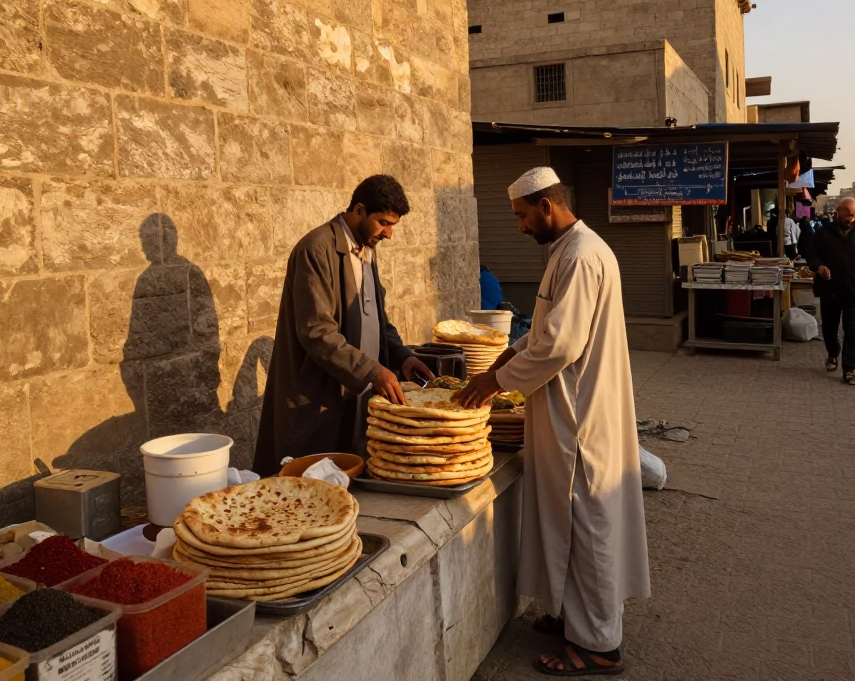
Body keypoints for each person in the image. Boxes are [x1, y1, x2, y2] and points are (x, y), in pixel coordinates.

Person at [457, 166, 648, 677]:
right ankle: (574, 619)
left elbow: (561, 345)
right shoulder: (565, 252)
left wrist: (494, 383)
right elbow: (545, 330)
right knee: (572, 524)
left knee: (588, 527)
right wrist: (505, 356)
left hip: (582, 416)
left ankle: (599, 645)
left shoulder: (582, 256)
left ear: (546, 206)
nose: (519, 226)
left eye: (522, 216)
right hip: (567, 408)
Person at [252, 175, 434, 474]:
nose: (389, 234)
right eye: (384, 223)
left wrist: (403, 356)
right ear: (359, 210)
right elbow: (316, 332)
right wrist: (372, 371)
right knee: (311, 492)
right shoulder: (316, 249)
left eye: (393, 225)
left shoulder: (367, 251)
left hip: (357, 399)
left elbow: (377, 320)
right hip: (319, 399)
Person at [806, 198, 855, 386]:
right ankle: (833, 352)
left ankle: (849, 369)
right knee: (829, 328)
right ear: (837, 213)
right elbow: (812, 255)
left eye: (853, 215)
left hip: (854, 291)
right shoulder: (823, 233)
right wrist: (819, 267)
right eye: (846, 215)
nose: (849, 218)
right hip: (830, 290)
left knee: (852, 331)